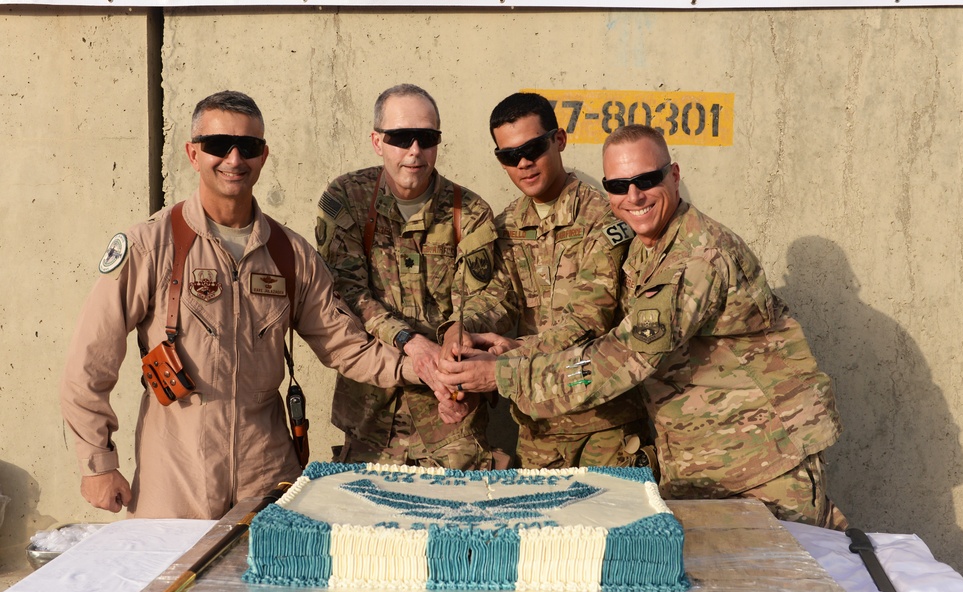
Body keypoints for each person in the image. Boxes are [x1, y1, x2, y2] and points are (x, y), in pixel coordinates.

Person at [439, 124, 847, 529]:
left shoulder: (697, 259)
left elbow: (623, 357)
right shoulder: (641, 246)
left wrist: (501, 376)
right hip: (697, 465)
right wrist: (513, 352)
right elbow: (596, 329)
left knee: (780, 589)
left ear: (674, 175)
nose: (632, 196)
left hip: (763, 468)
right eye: (617, 186)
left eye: (646, 180)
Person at [60, 90, 418, 520]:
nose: (233, 158)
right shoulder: (150, 245)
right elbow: (89, 363)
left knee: (274, 585)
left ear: (263, 156)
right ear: (193, 154)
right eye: (217, 146)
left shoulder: (291, 254)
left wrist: (421, 367)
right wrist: (97, 463)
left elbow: (346, 346)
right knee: (172, 586)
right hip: (174, 476)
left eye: (247, 147)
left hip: (266, 474)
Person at [315, 84, 515, 469]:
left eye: (426, 138)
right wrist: (409, 342)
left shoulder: (469, 212)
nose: (414, 150)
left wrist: (456, 348)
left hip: (450, 421)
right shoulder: (348, 199)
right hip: (370, 418)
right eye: (400, 137)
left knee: (458, 526)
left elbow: (487, 299)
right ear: (377, 141)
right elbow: (344, 292)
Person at [465, 92, 648, 469]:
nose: (524, 163)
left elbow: (587, 322)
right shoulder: (506, 226)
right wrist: (465, 336)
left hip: (605, 428)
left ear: (559, 140)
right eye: (509, 156)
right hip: (539, 427)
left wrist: (502, 358)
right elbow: (497, 300)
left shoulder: (606, 220)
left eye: (533, 147)